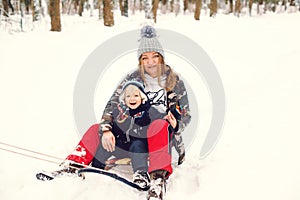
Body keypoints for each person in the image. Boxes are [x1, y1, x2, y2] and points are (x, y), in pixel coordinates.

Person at [64, 25, 191, 199]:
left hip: (159, 139)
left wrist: (177, 124)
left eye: (155, 56)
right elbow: (112, 105)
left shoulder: (175, 81)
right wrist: (107, 130)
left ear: (161, 58)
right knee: (96, 129)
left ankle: (157, 179)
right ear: (140, 60)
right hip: (131, 136)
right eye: (145, 58)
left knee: (160, 125)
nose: (151, 62)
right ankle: (72, 164)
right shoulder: (132, 78)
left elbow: (186, 114)